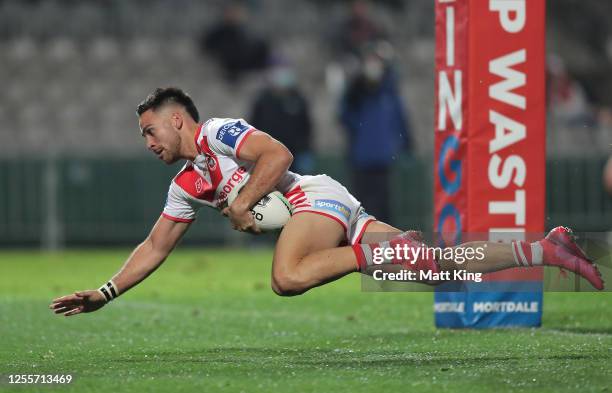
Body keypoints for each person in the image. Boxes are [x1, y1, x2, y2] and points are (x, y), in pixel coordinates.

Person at [49, 87, 603, 317]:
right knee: (438, 267)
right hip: (327, 212)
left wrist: (241, 201)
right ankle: (545, 250)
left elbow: (279, 154)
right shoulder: (185, 185)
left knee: (286, 278)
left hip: (313, 195)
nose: (147, 144)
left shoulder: (218, 132)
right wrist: (105, 293)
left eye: (149, 131)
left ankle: (378, 256)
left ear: (176, 120)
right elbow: (155, 245)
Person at [339, 44, 411, 223]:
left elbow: (401, 122)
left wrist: (406, 146)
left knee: (383, 205)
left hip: (382, 158)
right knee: (360, 203)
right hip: (361, 158)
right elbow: (344, 116)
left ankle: (383, 244)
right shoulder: (358, 93)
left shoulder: (389, 92)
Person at [250, 63, 313, 174]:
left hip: (294, 152)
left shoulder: (298, 99)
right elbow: (254, 125)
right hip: (268, 151)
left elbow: (306, 127)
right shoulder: (263, 101)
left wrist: (305, 149)